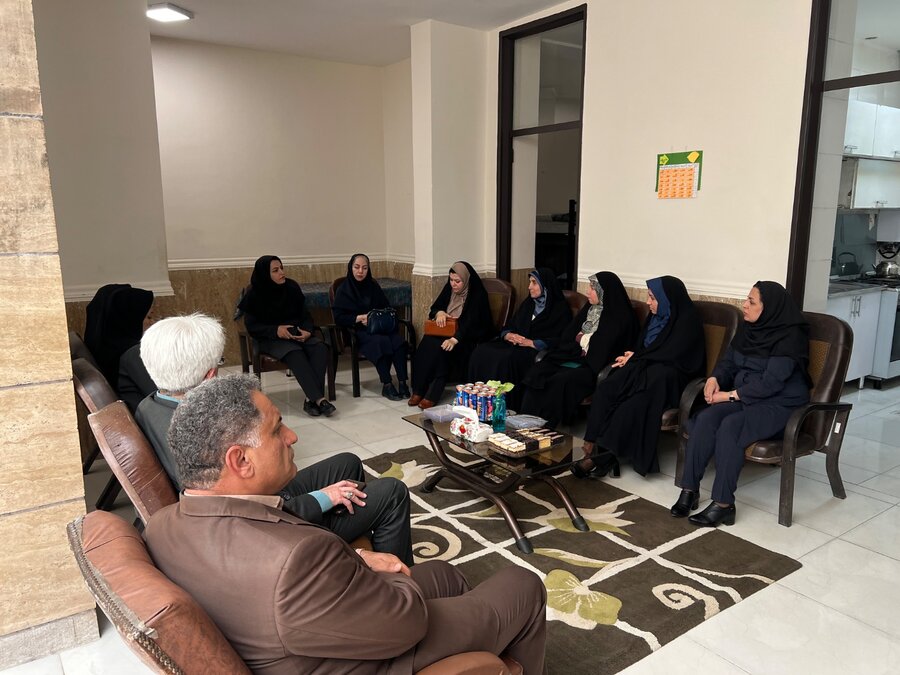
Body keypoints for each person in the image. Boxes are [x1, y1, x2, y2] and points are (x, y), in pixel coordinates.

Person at [144, 374, 547, 674]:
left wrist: (363, 561)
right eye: (277, 429)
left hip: (306, 631)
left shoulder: (161, 526)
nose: (292, 436)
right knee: (524, 584)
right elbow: (406, 623)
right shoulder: (296, 560)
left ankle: (480, 644)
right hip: (366, 657)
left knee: (445, 574)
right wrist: (364, 567)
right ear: (240, 460)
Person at [136, 314, 413, 562]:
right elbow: (252, 514)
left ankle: (355, 546)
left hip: (267, 495)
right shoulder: (200, 436)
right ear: (210, 376)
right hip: (275, 520)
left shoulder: (150, 406)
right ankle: (395, 583)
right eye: (219, 363)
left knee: (348, 463)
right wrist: (324, 498)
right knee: (392, 493)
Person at [672, 281, 810, 527]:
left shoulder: (790, 337)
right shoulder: (750, 329)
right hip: (748, 398)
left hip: (780, 405)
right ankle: (689, 490)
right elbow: (729, 362)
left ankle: (724, 505)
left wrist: (728, 396)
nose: (744, 305)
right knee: (706, 418)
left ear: (769, 308)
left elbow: (771, 383)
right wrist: (714, 379)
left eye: (751, 302)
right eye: (747, 299)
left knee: (731, 426)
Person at [574, 275, 705, 479]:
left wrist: (638, 357)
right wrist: (635, 355)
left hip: (669, 378)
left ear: (667, 299)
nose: (648, 302)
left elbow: (675, 354)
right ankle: (590, 443)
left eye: (653, 298)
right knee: (607, 387)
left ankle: (600, 458)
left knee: (631, 405)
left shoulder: (687, 320)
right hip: (645, 368)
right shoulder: (655, 317)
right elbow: (643, 347)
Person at [520, 272, 639, 428]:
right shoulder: (590, 310)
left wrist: (583, 339)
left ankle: (545, 429)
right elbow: (568, 336)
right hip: (573, 357)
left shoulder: (621, 317)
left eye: (593, 288)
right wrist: (583, 340)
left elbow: (605, 348)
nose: (588, 292)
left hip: (592, 367)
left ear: (604, 292)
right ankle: (524, 423)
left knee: (560, 381)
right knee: (538, 371)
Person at [238, 255, 335, 417]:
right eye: (275, 270)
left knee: (320, 348)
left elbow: (305, 315)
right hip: (270, 339)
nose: (281, 273)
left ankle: (310, 400)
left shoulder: (291, 287)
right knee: (294, 352)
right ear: (265, 274)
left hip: (295, 334)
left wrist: (307, 330)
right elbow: (252, 327)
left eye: (282, 268)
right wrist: (276, 330)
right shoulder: (255, 294)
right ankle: (319, 399)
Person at [467, 267, 568, 408]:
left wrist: (533, 343)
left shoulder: (560, 309)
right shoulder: (528, 304)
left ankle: (503, 406)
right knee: (481, 351)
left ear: (545, 285)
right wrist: (508, 335)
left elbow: (561, 339)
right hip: (514, 344)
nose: (529, 287)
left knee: (506, 359)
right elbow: (511, 325)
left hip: (534, 350)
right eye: (529, 282)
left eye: (534, 283)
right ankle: (477, 401)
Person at [408, 261, 494, 409]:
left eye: (457, 281)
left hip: (466, 339)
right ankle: (418, 390)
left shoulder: (477, 295)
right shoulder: (450, 289)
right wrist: (440, 312)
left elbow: (473, 324)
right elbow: (435, 308)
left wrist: (455, 339)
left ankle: (432, 395)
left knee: (442, 349)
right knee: (426, 343)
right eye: (451, 280)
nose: (453, 284)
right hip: (445, 331)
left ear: (466, 280)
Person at [332, 253, 410, 401]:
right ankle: (387, 384)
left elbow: (386, 307)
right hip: (358, 332)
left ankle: (402, 382)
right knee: (380, 342)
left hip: (379, 327)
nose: (360, 271)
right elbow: (339, 317)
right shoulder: (344, 289)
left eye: (364, 268)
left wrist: (375, 317)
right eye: (356, 267)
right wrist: (358, 318)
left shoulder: (373, 286)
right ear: (350, 268)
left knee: (398, 342)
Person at [83, 283, 154, 387]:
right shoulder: (133, 354)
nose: (153, 323)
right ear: (129, 319)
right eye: (149, 317)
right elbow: (162, 391)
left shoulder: (103, 346)